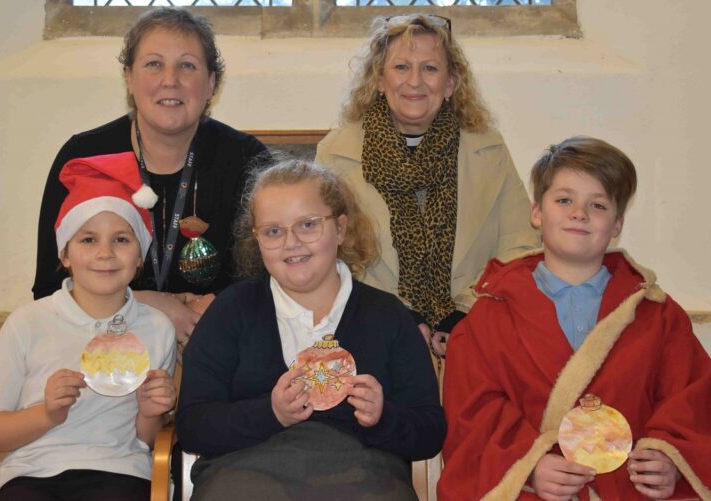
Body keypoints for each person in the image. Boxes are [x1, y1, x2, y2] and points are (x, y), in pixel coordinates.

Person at [438, 137, 711, 500]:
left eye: (598, 205)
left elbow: (690, 401)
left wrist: (670, 459)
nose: (579, 213)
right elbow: (474, 416)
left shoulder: (658, 315)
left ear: (617, 224)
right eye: (564, 200)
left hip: (631, 491)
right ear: (537, 213)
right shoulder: (488, 318)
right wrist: (528, 466)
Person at [176, 160, 445, 500]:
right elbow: (193, 426)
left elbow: (429, 433)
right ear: (256, 239)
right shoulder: (231, 311)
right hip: (243, 475)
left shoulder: (387, 315)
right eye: (273, 231)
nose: (291, 243)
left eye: (307, 225)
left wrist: (383, 417)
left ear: (341, 228)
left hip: (364, 476)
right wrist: (270, 413)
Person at [33, 7, 268, 346]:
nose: (170, 80)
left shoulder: (247, 160)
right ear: (128, 77)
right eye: (154, 64)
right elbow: (49, 290)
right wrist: (146, 306)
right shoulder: (83, 157)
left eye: (187, 65)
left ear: (211, 83)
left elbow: (269, 279)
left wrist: (219, 308)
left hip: (214, 343)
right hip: (97, 347)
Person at [316, 14, 539, 356]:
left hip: (476, 336)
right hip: (371, 335)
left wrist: (469, 310)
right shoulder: (335, 154)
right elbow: (327, 254)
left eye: (430, 69)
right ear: (379, 79)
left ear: (450, 84)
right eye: (401, 67)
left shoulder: (489, 150)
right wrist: (394, 313)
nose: (415, 81)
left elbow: (519, 246)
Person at [0, 152, 177, 500]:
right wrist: (47, 414)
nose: (105, 253)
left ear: (140, 255)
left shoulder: (157, 328)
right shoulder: (28, 322)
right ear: (65, 254)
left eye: (122, 239)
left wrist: (152, 413)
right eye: (88, 239)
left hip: (120, 473)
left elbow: (146, 439)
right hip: (32, 474)